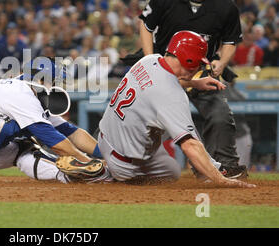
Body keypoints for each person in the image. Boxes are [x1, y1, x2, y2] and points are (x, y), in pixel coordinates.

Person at [58, 31, 254, 188]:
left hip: (106, 138)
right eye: (197, 62)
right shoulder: (171, 97)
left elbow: (163, 82)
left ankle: (103, 164)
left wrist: (196, 83)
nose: (198, 66)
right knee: (183, 133)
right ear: (188, 61)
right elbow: (189, 146)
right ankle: (104, 174)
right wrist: (220, 181)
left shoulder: (150, 60)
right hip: (125, 163)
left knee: (172, 172)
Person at [134, 0, 247, 177]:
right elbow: (146, 26)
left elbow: (230, 41)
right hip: (164, 70)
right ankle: (131, 164)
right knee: (136, 114)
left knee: (219, 114)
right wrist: (150, 62)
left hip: (200, 71)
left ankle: (226, 167)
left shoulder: (225, 6)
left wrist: (221, 63)